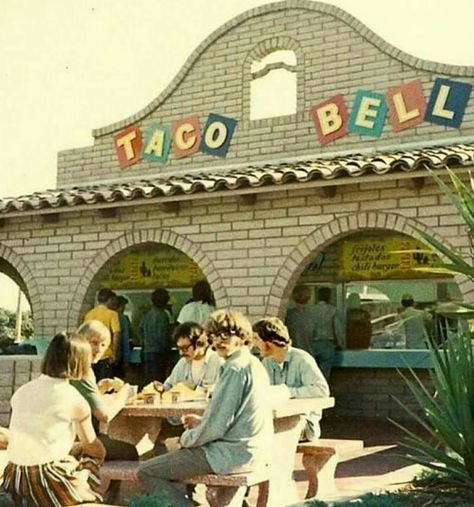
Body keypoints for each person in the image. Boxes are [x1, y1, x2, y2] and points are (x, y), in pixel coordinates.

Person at [137, 309, 273, 507]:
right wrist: (201, 422)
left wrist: (186, 439)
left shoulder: (234, 369)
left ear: (242, 336)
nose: (219, 341)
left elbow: (216, 427)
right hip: (249, 450)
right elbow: (234, 417)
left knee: (147, 470)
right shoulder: (253, 363)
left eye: (226, 335)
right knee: (172, 462)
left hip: (230, 454)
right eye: (214, 336)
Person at [2, 332, 105, 506]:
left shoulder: (23, 391)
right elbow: (92, 446)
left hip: (15, 476)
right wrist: (99, 454)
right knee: (92, 458)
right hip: (47, 479)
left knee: (72, 453)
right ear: (81, 363)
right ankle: (85, 495)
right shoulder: (74, 399)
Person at [253, 316, 329, 441]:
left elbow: (322, 390)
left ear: (270, 340)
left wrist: (287, 392)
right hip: (276, 420)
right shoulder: (266, 362)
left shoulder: (302, 358)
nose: (254, 344)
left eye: (256, 338)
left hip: (304, 424)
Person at [153, 321, 223, 453]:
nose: (181, 353)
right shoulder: (182, 363)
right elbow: (169, 385)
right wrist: (160, 388)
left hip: (208, 423)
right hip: (184, 422)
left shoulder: (217, 361)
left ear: (199, 343)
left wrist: (195, 390)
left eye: (185, 348)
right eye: (179, 348)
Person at [73, 320, 138, 461]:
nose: (99, 349)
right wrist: (124, 393)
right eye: (94, 343)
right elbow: (105, 416)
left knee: (107, 439)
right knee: (131, 451)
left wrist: (97, 390)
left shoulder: (72, 365)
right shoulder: (84, 370)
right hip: (77, 441)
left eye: (103, 345)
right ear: (81, 341)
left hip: (66, 437)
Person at [83, 287, 121, 380]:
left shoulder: (88, 314)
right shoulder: (112, 314)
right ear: (109, 300)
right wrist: (114, 353)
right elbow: (116, 333)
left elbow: (84, 335)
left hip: (91, 356)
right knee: (106, 385)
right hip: (106, 354)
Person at [138, 287, 172, 383]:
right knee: (157, 382)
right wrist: (167, 351)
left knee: (148, 381)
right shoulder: (163, 316)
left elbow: (140, 330)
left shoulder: (147, 315)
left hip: (146, 352)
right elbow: (162, 336)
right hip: (158, 354)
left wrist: (144, 342)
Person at [312, 286, 344, 380]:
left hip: (312, 343)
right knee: (324, 374)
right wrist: (340, 343)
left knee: (311, 371)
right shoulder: (333, 310)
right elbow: (337, 329)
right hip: (327, 344)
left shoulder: (311, 310)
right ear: (329, 297)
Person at [285, 285, 318, 353]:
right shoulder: (313, 314)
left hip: (293, 352)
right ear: (309, 297)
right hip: (309, 351)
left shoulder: (289, 315)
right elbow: (315, 335)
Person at [109, 294, 132, 377]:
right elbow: (125, 339)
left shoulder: (108, 316)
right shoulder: (122, 318)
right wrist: (126, 359)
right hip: (119, 356)